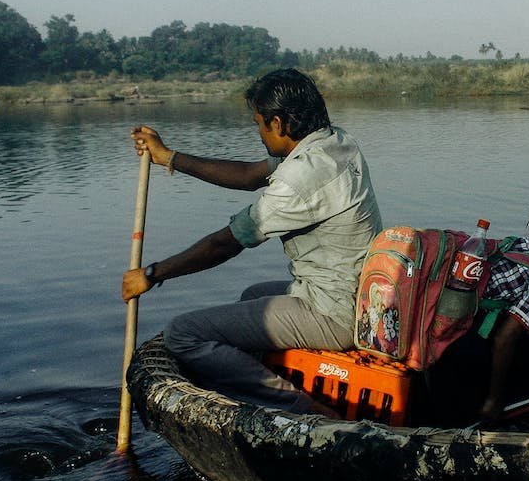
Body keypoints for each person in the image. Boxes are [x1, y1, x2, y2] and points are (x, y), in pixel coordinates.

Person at [120, 68, 382, 416]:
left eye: (259, 124)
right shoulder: (336, 142)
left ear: (278, 123)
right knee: (252, 294)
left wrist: (152, 274)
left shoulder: (298, 180)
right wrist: (169, 157)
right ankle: (275, 383)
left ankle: (305, 410)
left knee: (182, 334)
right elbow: (248, 175)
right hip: (359, 299)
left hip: (334, 313)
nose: (258, 132)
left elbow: (225, 244)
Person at [416, 206, 529, 433]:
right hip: (460, 355)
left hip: (436, 338)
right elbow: (504, 339)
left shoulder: (518, 245)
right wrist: (494, 399)